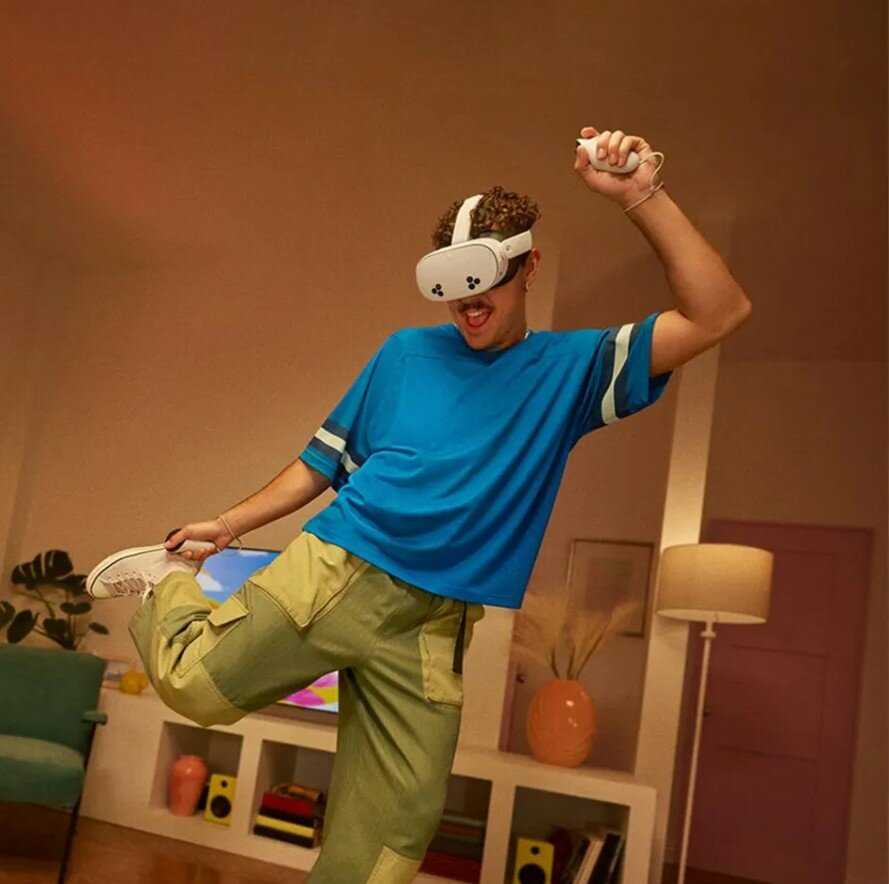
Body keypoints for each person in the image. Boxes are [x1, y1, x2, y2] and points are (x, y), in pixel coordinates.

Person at [85, 125, 752, 883]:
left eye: (484, 280)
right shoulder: (405, 353)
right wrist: (226, 527)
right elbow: (320, 463)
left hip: (437, 623)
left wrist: (639, 193)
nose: (467, 304)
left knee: (390, 842)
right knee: (197, 688)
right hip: (343, 569)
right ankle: (165, 583)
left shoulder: (572, 368)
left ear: (528, 267)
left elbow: (719, 312)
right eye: (451, 286)